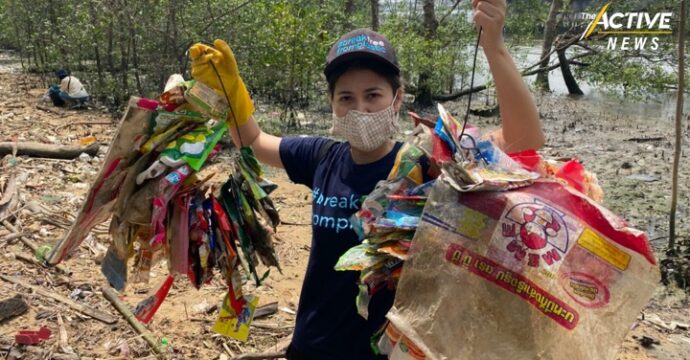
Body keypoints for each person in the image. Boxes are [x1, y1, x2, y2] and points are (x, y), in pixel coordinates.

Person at [189, 0, 544, 358]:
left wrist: (494, 47)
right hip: (311, 345)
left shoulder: (424, 167)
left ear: (397, 98)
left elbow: (524, 141)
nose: (360, 108)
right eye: (346, 97)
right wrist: (231, 92)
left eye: (373, 95)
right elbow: (252, 141)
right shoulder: (322, 157)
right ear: (332, 103)